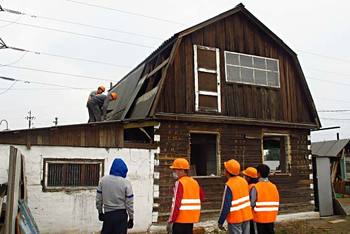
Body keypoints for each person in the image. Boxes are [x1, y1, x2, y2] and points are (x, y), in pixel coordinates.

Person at [96, 158, 134, 234]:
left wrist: (100, 212)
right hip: (121, 216)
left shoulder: (103, 180)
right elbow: (129, 203)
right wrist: (131, 218)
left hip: (108, 215)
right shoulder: (126, 183)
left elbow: (98, 199)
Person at [167, 158, 204, 234]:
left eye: (175, 170)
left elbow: (176, 204)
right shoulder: (194, 182)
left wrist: (171, 220)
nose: (174, 172)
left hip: (180, 219)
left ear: (182, 170)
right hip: (191, 219)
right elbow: (201, 197)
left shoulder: (179, 183)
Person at [218, 159, 253, 234]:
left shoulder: (229, 185)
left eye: (225, 169)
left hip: (235, 219)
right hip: (246, 216)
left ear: (227, 172)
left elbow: (226, 205)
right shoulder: (243, 181)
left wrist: (220, 221)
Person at [251, 164, 279, 234]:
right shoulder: (274, 186)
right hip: (271, 217)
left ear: (259, 173)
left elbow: (252, 204)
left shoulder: (256, 187)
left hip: (259, 219)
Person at [242, 167, 259, 234]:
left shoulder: (253, 187)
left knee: (253, 231)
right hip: (250, 214)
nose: (244, 177)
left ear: (249, 178)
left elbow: (252, 203)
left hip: (252, 215)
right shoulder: (250, 186)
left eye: (245, 176)